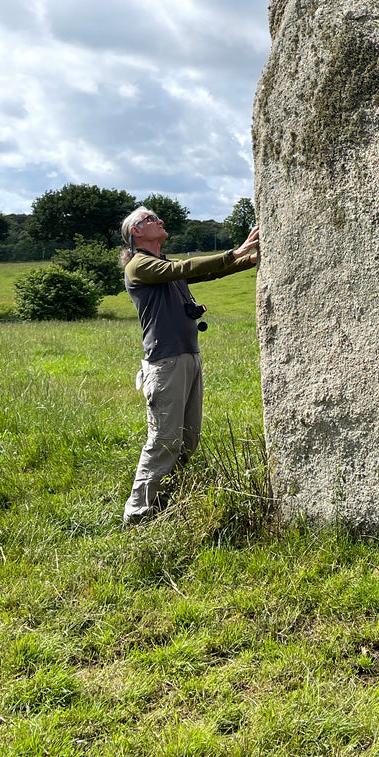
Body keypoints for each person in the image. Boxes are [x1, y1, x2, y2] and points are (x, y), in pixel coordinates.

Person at [119, 205, 260, 528]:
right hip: (165, 362)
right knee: (164, 440)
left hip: (188, 357)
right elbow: (187, 267)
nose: (159, 221)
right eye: (150, 218)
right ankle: (138, 515)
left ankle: (164, 503)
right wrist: (233, 252)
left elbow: (206, 272)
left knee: (188, 439)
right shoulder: (140, 266)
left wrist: (247, 261)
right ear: (135, 233)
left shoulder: (163, 266)